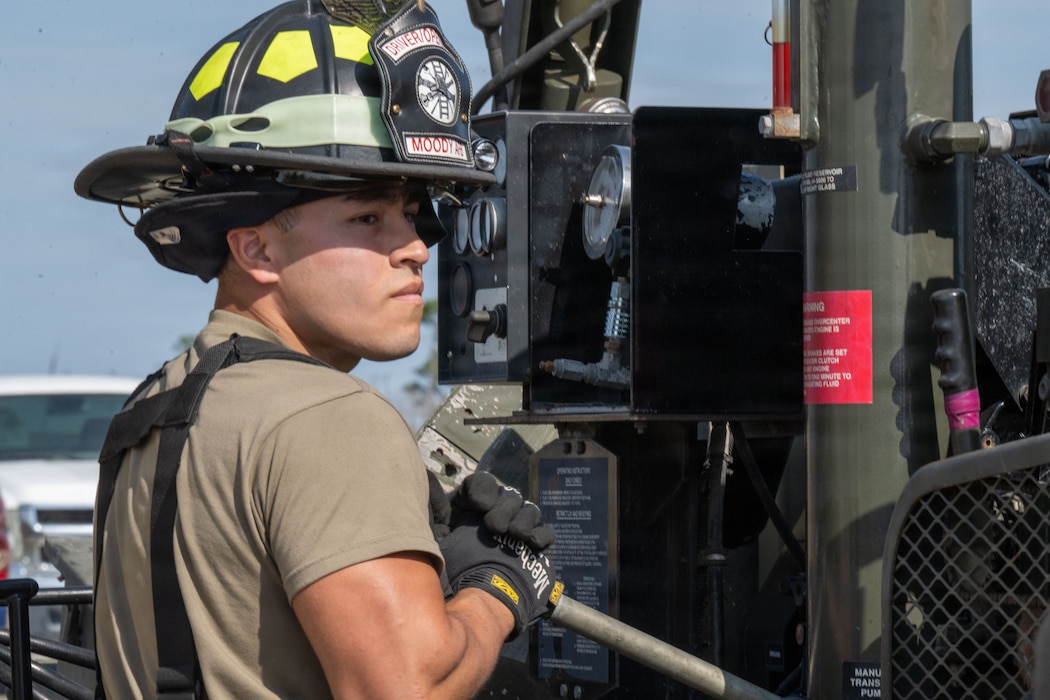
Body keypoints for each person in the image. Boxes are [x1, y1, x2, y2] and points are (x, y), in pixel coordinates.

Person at [75, 1, 559, 697]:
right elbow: (408, 689)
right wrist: (498, 585)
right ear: (255, 246)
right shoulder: (328, 418)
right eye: (369, 217)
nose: (417, 249)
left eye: (415, 215)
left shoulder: (154, 406)